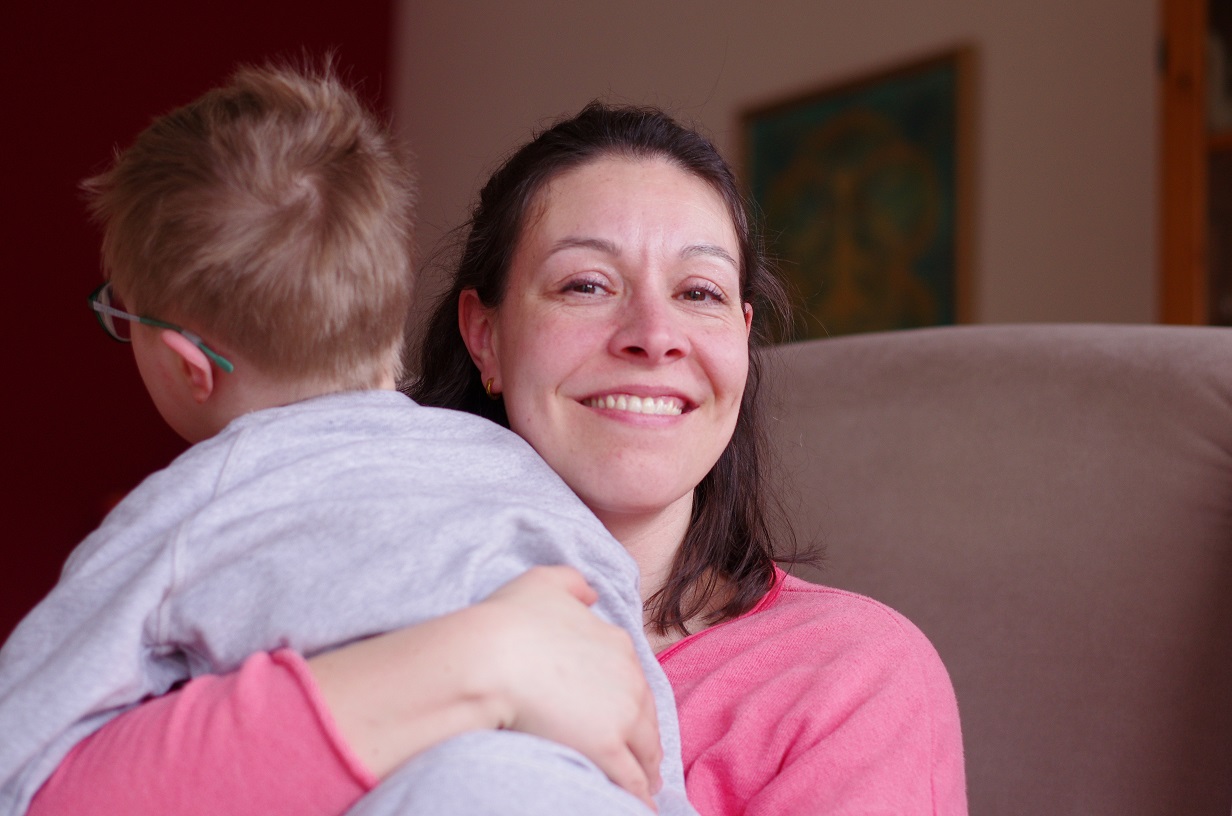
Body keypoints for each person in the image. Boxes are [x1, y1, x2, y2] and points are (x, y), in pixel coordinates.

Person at [21, 101, 968, 816]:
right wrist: (477, 660)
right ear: (485, 335)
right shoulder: (264, 567)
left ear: (741, 343)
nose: (654, 334)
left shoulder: (850, 679)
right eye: (587, 283)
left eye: (701, 293)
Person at [0, 66, 694, 816]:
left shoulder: (191, 506)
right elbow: (641, 733)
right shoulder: (525, 478)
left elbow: (19, 762)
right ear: (385, 317)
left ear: (186, 363)